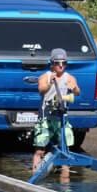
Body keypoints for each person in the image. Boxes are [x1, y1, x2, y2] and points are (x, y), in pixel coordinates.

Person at [32, 48, 80, 179]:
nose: (61, 65)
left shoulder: (69, 78)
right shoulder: (45, 76)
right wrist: (50, 83)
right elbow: (41, 90)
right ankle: (34, 176)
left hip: (62, 119)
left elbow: (77, 92)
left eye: (64, 63)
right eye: (58, 63)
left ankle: (65, 183)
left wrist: (74, 88)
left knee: (65, 152)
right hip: (46, 119)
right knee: (40, 150)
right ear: (52, 63)